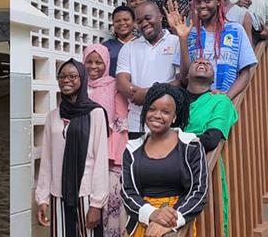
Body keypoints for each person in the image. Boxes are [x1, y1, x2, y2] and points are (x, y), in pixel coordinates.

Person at [121, 83, 208, 237]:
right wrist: (153, 214)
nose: (157, 115)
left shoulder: (191, 145)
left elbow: (199, 191)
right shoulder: (132, 149)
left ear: (174, 116)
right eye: (152, 109)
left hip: (178, 224)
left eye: (165, 112)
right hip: (143, 225)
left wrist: (171, 222)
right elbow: (128, 192)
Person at [35, 59, 109, 237]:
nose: (66, 80)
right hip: (58, 194)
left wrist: (96, 204)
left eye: (72, 76)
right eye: (62, 76)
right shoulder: (53, 116)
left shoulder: (96, 113)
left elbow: (100, 160)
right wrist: (42, 199)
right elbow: (47, 160)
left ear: (82, 79)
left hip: (86, 195)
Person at [170, 0, 258, 99]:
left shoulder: (236, 30)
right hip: (197, 104)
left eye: (207, 1)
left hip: (226, 104)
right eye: (198, 2)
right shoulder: (191, 33)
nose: (202, 6)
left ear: (218, 1)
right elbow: (185, 78)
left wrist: (226, 98)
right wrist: (183, 39)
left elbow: (245, 73)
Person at [183, 58, 238, 237]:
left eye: (207, 63)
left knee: (212, 221)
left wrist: (172, 141)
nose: (202, 63)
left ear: (213, 79)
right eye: (196, 62)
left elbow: (211, 139)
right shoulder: (175, 100)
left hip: (206, 166)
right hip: (173, 170)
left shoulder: (221, 102)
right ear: (186, 75)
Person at [82, 44, 129, 236]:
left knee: (110, 207)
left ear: (106, 63)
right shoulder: (78, 85)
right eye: (89, 62)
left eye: (99, 62)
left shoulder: (113, 85)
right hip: (83, 153)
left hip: (109, 155)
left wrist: (110, 153)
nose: (94, 67)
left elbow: (120, 120)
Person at [116, 2, 180, 139]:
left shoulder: (176, 42)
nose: (144, 23)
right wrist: (139, 93)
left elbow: (181, 81)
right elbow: (122, 83)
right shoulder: (129, 47)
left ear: (160, 17)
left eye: (148, 18)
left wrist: (149, 94)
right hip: (137, 122)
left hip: (168, 122)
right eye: (139, 21)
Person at [102, 6, 137, 77]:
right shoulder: (105, 47)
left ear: (134, 22)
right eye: (117, 21)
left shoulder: (143, 43)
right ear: (113, 24)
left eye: (126, 19)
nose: (122, 23)